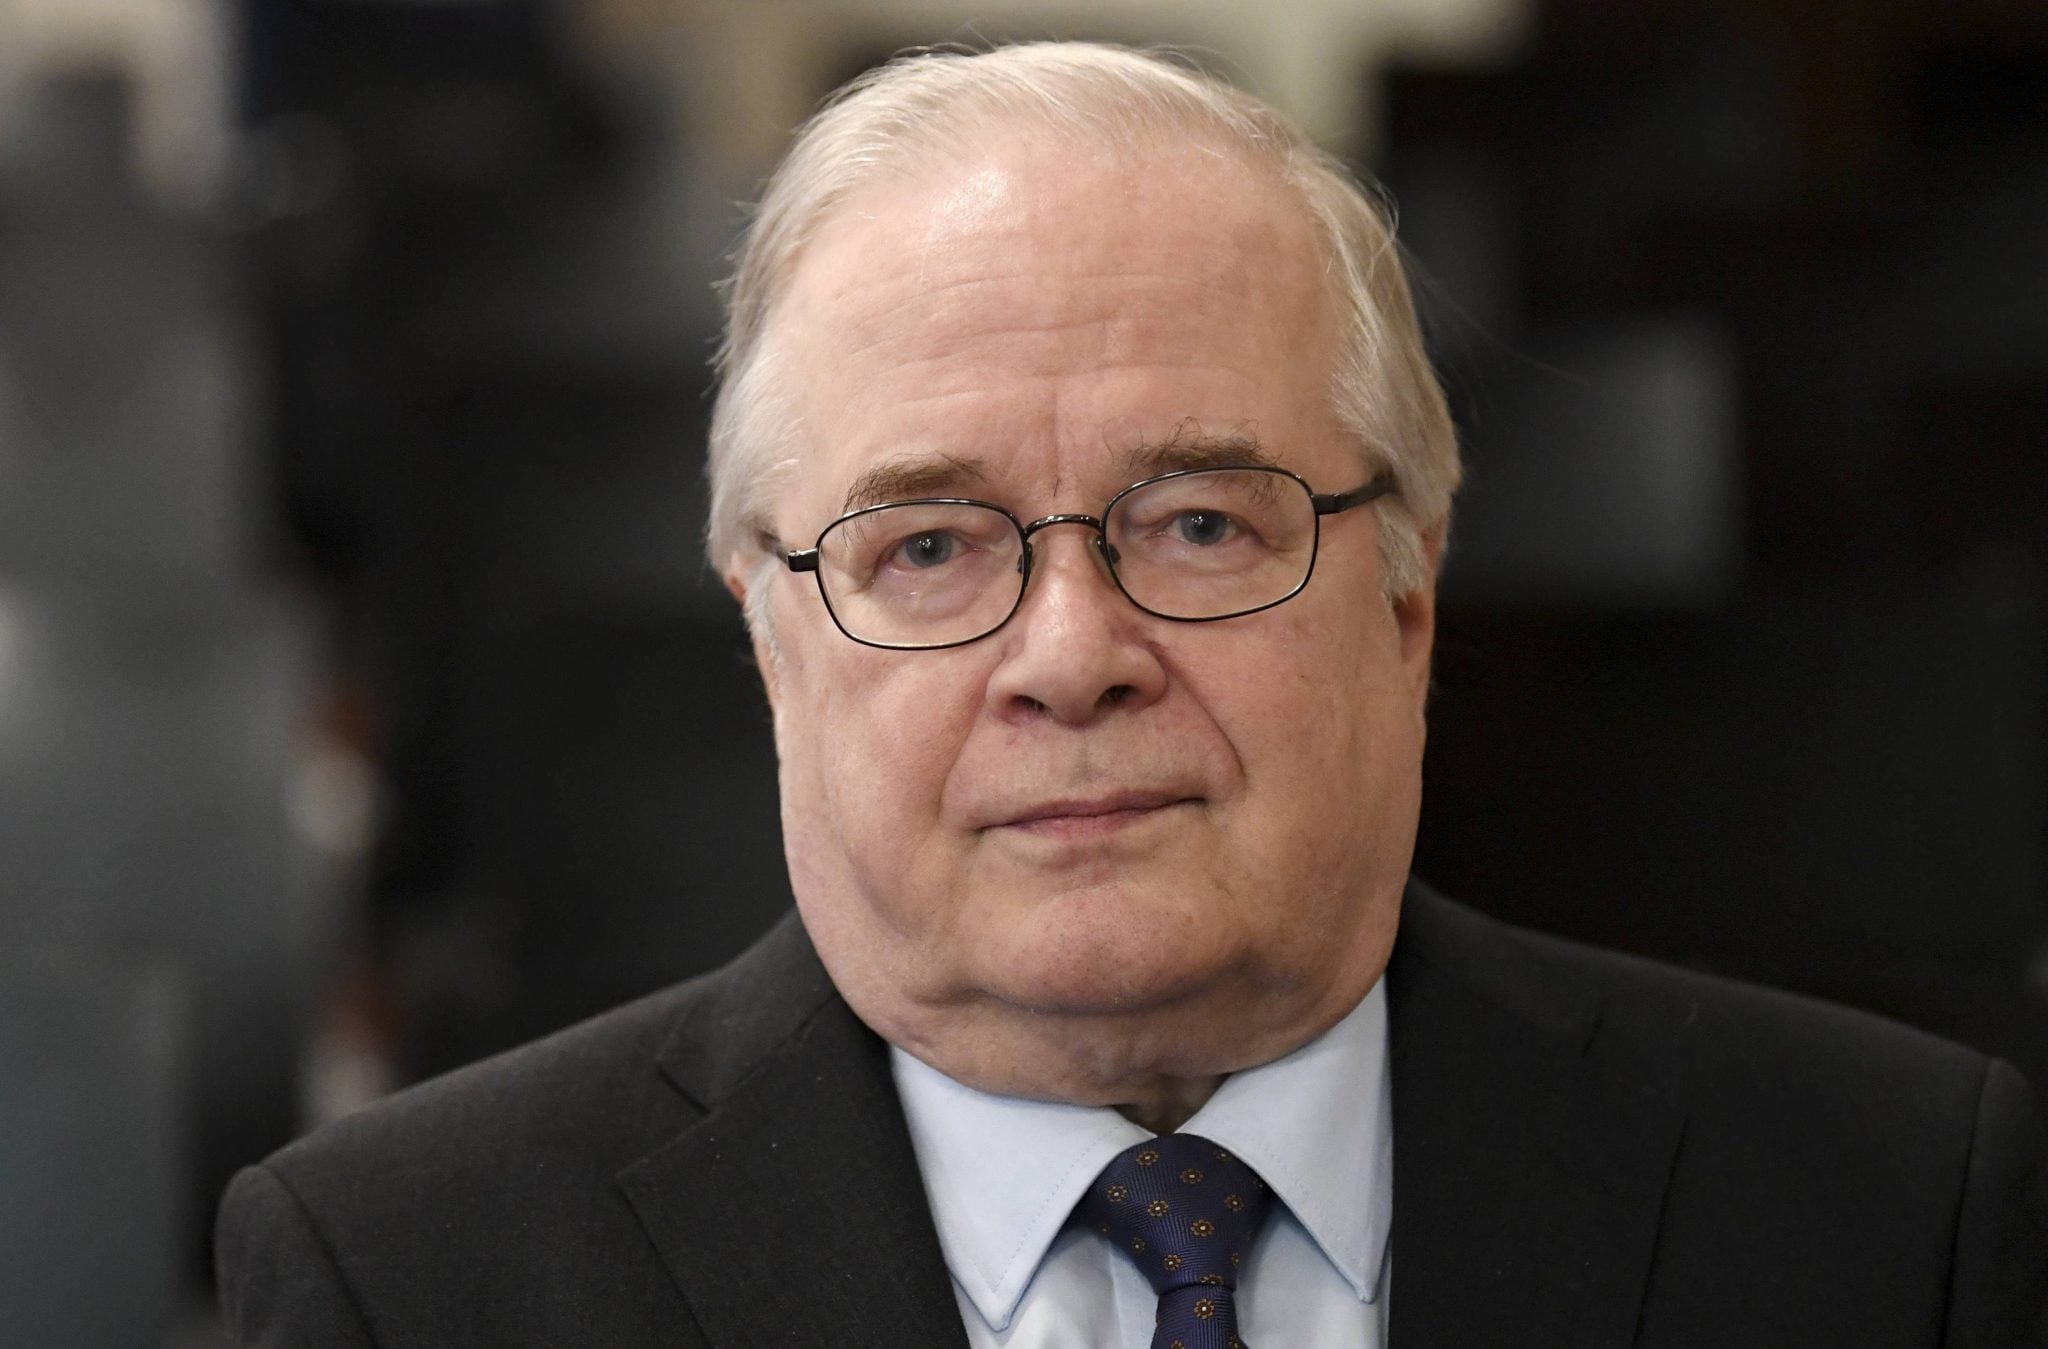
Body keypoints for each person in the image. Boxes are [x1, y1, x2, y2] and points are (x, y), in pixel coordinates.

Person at [216, 42, 2047, 1347]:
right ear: (775, 640)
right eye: (930, 547)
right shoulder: (409, 1281)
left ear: (1409, 596)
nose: (1072, 651)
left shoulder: (1895, 1212)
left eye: (1199, 522)